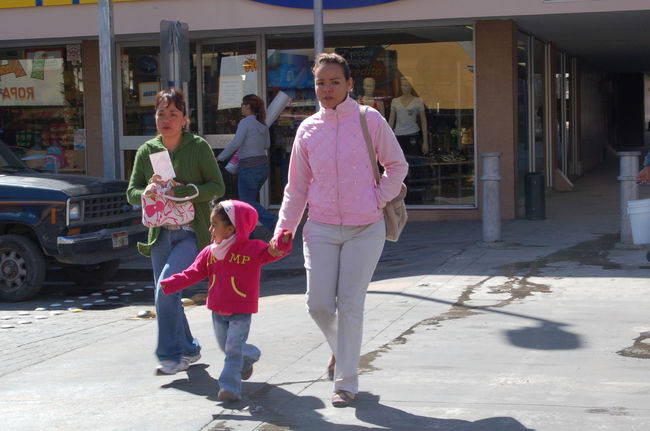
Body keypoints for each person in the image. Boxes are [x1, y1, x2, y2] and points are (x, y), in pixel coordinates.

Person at [269, 52, 408, 407]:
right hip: (321, 227)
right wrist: (284, 229)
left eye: (334, 82)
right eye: (320, 82)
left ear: (349, 84)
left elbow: (396, 165)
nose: (327, 89)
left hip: (366, 228)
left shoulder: (369, 118)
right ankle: (343, 352)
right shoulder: (307, 129)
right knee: (317, 305)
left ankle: (345, 383)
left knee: (349, 304)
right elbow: (296, 188)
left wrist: (377, 199)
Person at [126, 88, 225, 375]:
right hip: (159, 235)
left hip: (191, 233)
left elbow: (217, 187)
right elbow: (131, 193)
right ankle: (189, 348)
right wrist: (147, 191)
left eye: (173, 114)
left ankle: (170, 355)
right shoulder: (147, 151)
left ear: (185, 119)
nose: (166, 119)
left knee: (165, 288)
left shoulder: (198, 147)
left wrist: (184, 192)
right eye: (161, 114)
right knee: (168, 294)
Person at [160, 199, 292, 401]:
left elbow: (273, 253)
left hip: (241, 310)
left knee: (232, 350)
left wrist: (281, 243)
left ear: (231, 229)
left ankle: (229, 387)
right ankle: (249, 357)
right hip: (217, 310)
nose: (210, 229)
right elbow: (192, 273)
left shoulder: (252, 248)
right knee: (228, 348)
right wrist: (169, 284)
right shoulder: (209, 252)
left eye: (214, 225)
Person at [217, 94, 278, 232]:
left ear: (248, 106)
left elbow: (236, 143)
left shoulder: (245, 123)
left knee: (246, 203)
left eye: (242, 105)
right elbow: (267, 145)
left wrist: (220, 157)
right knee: (250, 202)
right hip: (262, 167)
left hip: (249, 168)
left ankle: (272, 221)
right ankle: (246, 232)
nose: (241, 107)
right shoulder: (263, 124)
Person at [388, 76, 428, 156]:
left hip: (413, 134)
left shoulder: (418, 101)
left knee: (414, 160)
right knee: (399, 160)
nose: (404, 88)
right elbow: (391, 121)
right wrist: (388, 139)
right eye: (402, 85)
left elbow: (423, 122)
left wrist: (425, 142)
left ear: (411, 86)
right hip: (398, 135)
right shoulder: (395, 101)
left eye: (406, 85)